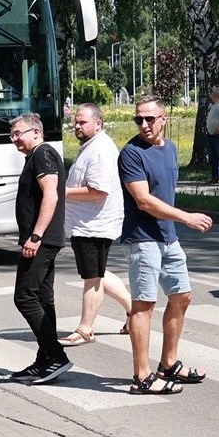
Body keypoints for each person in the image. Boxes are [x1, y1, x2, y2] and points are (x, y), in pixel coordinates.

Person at [120, 96, 215, 395]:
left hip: (167, 237)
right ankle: (142, 376)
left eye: (150, 119)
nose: (144, 124)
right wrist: (187, 217)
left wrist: (176, 223)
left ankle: (168, 363)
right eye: (138, 119)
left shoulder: (171, 148)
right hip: (142, 238)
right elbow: (144, 201)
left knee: (182, 296)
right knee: (144, 305)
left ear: (164, 119)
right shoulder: (131, 154)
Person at [60, 104, 131, 346]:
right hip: (87, 224)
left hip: (93, 225)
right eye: (76, 122)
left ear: (98, 124)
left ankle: (85, 329)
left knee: (92, 277)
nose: (77, 126)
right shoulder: (93, 146)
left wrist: (64, 192)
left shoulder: (100, 149)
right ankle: (134, 309)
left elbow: (98, 190)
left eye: (83, 122)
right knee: (98, 272)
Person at [9, 113, 71, 383]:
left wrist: (35, 236)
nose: (14, 139)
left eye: (18, 133)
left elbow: (51, 195)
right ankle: (44, 360)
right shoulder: (36, 156)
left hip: (41, 239)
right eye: (12, 135)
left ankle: (56, 356)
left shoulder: (43, 154)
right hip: (44, 238)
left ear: (36, 131)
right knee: (43, 298)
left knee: (24, 296)